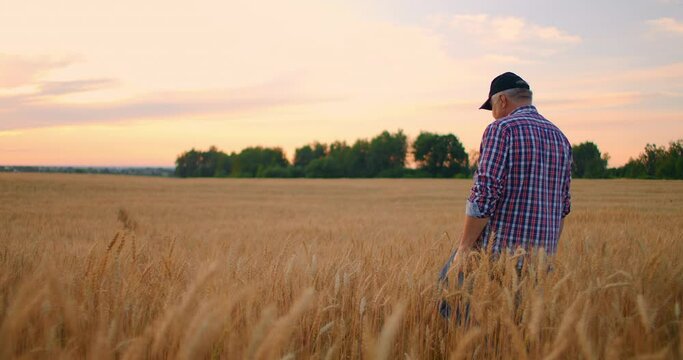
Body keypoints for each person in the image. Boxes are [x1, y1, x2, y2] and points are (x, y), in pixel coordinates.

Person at [439, 72, 572, 319]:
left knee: (449, 296)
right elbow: (563, 206)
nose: (493, 113)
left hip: (498, 254)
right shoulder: (560, 138)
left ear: (501, 101)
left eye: (491, 107)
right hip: (540, 259)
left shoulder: (501, 129)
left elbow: (484, 196)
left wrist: (464, 249)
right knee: (517, 324)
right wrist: (546, 255)